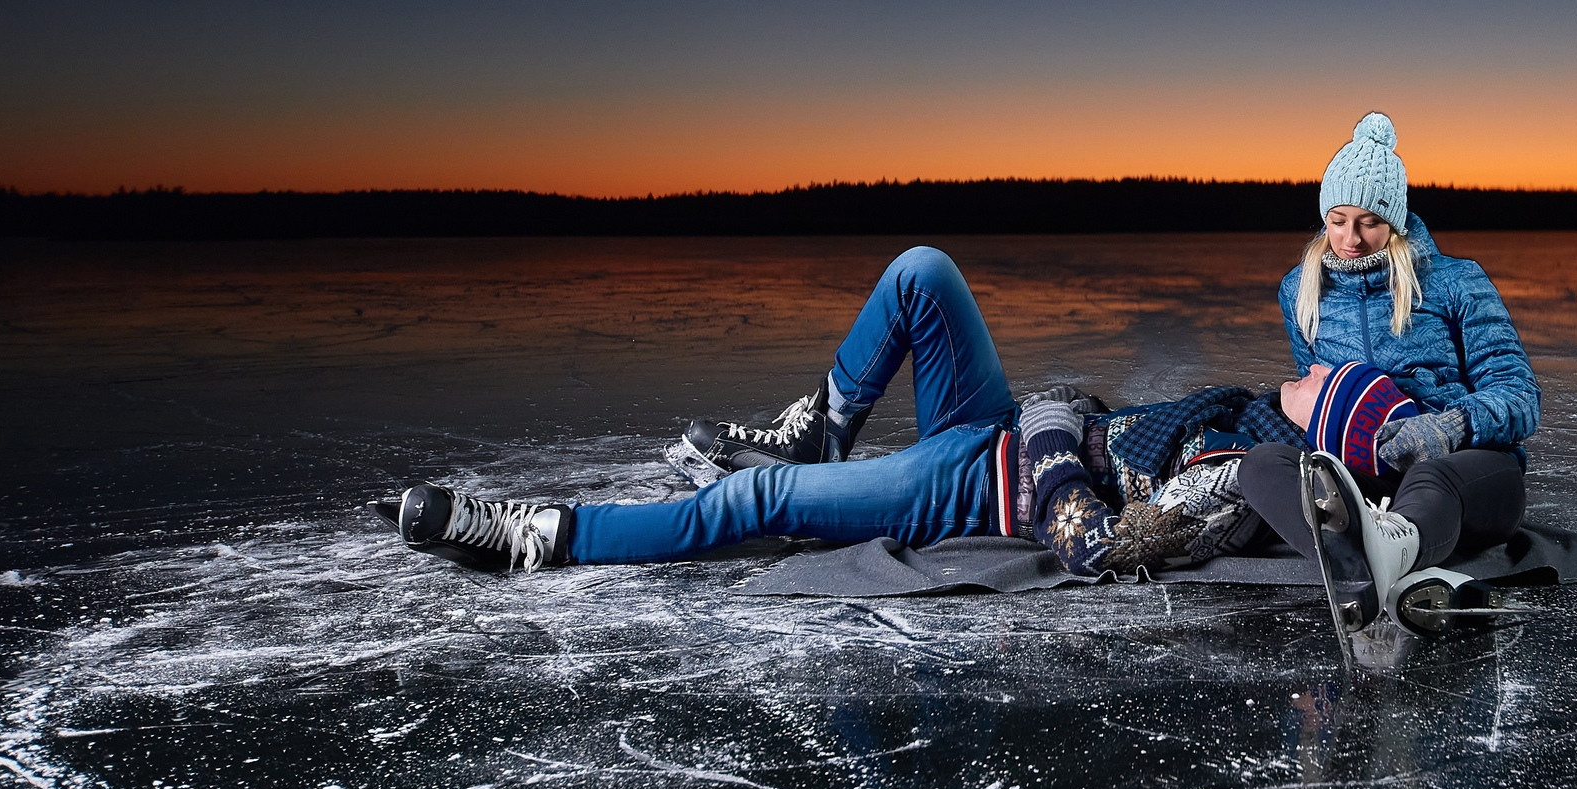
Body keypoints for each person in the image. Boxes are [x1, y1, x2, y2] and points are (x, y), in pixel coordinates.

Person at [387, 245, 1297, 576]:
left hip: (976, 490)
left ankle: (540, 533)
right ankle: (819, 426)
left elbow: (1090, 537)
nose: (1307, 375)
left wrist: (1055, 431)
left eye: (1323, 388)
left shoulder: (1246, 475)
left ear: (1319, 427)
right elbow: (1067, 411)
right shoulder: (1244, 405)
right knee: (921, 273)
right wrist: (1055, 418)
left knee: (755, 506)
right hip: (998, 429)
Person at [1230, 112, 1539, 627]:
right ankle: (1375, 568)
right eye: (1337, 220)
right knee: (1262, 466)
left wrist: (1448, 426)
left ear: (1393, 221)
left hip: (1465, 468)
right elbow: (1327, 397)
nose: (1351, 238)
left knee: (1432, 479)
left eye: (1369, 222)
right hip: (1364, 476)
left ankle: (1375, 558)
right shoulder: (1300, 291)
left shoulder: (1453, 282)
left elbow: (1520, 394)